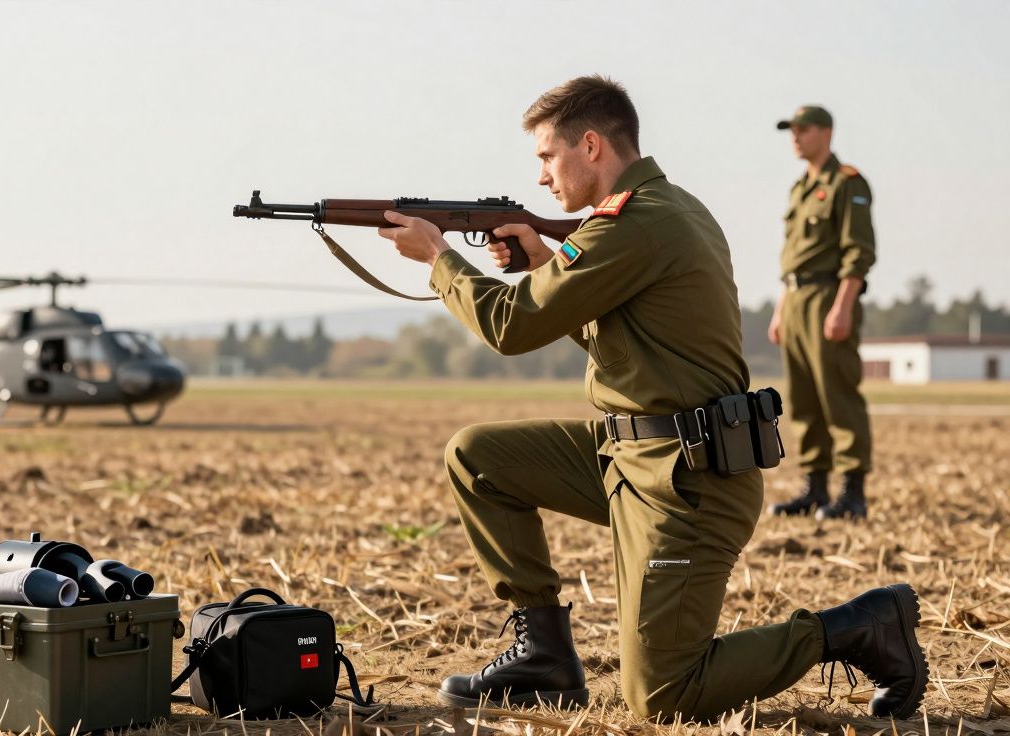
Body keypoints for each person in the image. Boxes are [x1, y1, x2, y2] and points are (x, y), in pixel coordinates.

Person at [375, 76, 924, 721]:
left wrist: (440, 258)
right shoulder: (664, 211)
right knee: (478, 456)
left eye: (547, 159)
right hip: (630, 456)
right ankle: (545, 658)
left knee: (663, 695)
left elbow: (512, 327)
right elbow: (623, 340)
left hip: (688, 483)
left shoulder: (638, 223)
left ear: (590, 145)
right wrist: (544, 265)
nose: (543, 179)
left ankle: (856, 628)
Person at [767, 105, 876, 521]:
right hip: (795, 300)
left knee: (838, 394)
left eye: (803, 130)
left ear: (827, 133)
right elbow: (792, 260)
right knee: (802, 398)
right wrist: (781, 311)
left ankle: (853, 493)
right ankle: (814, 489)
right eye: (791, 130)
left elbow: (858, 252)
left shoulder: (847, 183)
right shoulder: (800, 188)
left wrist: (843, 307)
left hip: (829, 297)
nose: (795, 137)